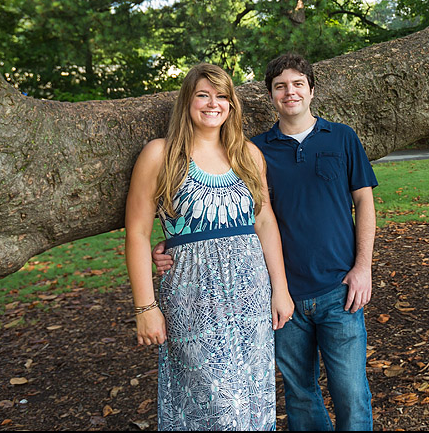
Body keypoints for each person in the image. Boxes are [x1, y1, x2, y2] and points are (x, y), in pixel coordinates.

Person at [154, 52, 378, 431]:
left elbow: (365, 204)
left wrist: (363, 268)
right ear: (270, 95)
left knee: (352, 393)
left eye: (297, 85)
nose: (290, 93)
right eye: (280, 87)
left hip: (339, 289)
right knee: (300, 394)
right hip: (278, 294)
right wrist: (173, 243)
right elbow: (241, 212)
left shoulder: (341, 137)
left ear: (311, 90)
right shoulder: (253, 150)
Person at [126, 63, 295, 431]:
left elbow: (265, 222)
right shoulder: (161, 154)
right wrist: (145, 307)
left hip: (251, 297)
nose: (212, 104)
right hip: (192, 300)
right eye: (203, 94)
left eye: (221, 96)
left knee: (250, 399)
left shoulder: (247, 155)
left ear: (231, 105)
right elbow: (137, 233)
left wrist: (280, 290)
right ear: (188, 101)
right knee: (212, 401)